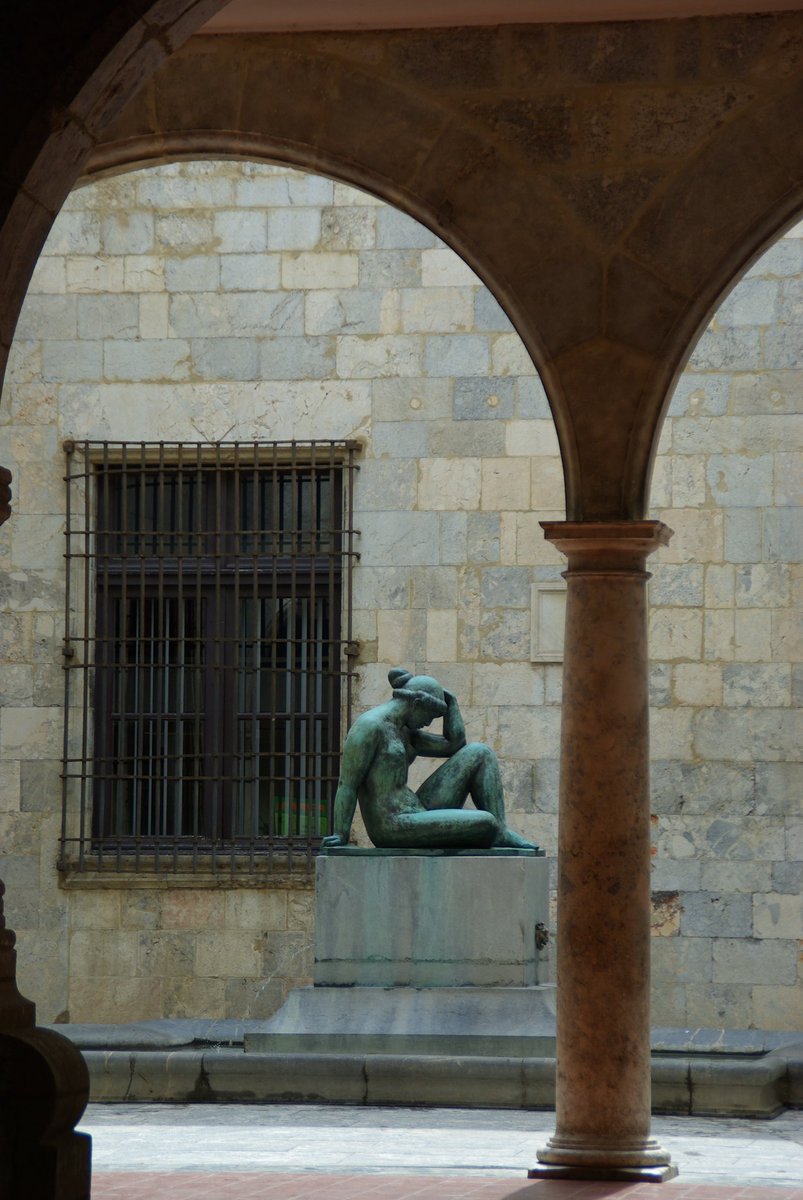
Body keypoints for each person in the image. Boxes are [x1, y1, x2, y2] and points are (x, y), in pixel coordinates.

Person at [322, 667, 537, 851]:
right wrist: (341, 833)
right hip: (392, 825)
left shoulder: (405, 732)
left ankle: (501, 832)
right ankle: (496, 829)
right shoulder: (369, 727)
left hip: (417, 812)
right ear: (416, 703)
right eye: (430, 716)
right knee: (486, 823)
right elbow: (347, 783)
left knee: (480, 753)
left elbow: (454, 745)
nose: (428, 722)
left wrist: (451, 703)